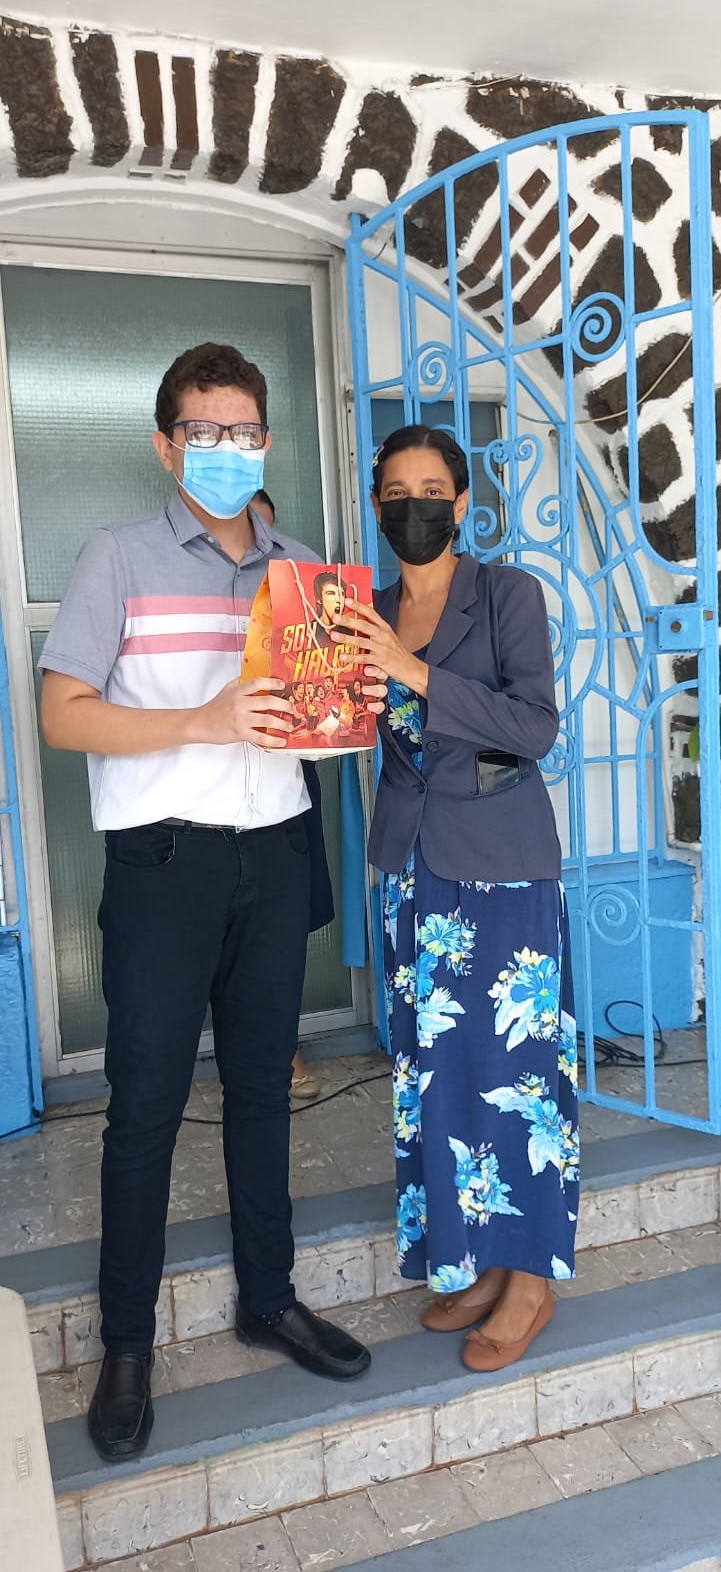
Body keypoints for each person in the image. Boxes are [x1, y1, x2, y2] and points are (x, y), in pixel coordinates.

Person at [39, 343, 386, 1463]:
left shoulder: (305, 571)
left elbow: (319, 725)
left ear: (267, 441)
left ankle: (268, 1298)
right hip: (163, 864)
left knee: (261, 1088)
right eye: (204, 432)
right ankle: (126, 1344)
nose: (226, 449)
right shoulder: (119, 556)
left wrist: (351, 702)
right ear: (166, 445)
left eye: (243, 431)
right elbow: (62, 713)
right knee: (143, 1106)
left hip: (274, 853)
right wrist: (202, 719)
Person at [335, 424, 578, 1374]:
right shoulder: (366, 609)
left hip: (502, 865)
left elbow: (534, 726)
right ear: (377, 506)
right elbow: (357, 730)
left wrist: (413, 672)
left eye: (431, 491)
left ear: (462, 504)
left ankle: (531, 1279)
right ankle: (474, 1257)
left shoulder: (506, 593)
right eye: (395, 493)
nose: (414, 507)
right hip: (414, 867)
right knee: (437, 1076)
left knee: (516, 1077)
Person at [250, 489, 326, 1101]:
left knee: (280, 928)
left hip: (287, 781)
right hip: (201, 806)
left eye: (267, 532)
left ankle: (282, 1042)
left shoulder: (299, 595)